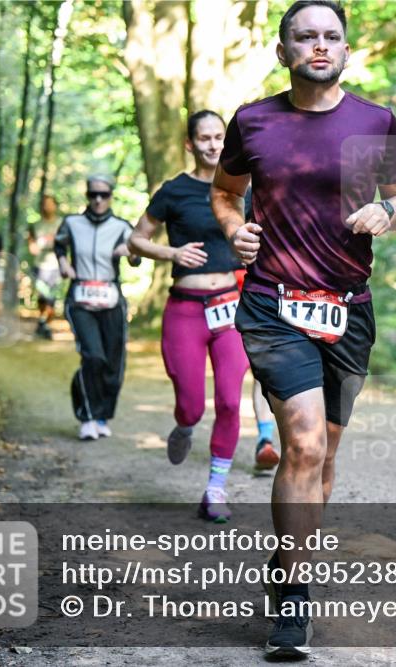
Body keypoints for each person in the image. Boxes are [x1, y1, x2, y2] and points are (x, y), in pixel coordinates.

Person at [211, 0, 396, 657]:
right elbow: (224, 190)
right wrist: (233, 228)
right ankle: (295, 602)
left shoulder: (375, 122)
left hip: (348, 307)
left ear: (346, 50)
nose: (320, 45)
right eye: (306, 36)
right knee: (300, 444)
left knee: (323, 456)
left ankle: (287, 557)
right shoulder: (254, 120)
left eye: (332, 36)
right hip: (274, 302)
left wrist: (387, 211)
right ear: (284, 52)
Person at [129, 110, 277, 524]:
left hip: (231, 308)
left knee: (231, 400)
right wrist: (171, 253)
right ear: (190, 144)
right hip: (185, 310)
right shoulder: (174, 190)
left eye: (219, 137)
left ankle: (215, 488)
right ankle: (184, 423)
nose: (214, 144)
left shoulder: (244, 189)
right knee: (192, 405)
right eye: (205, 138)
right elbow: (136, 240)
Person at [55, 175, 140, 441]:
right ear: (87, 196)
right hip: (80, 299)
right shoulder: (72, 222)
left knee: (113, 362)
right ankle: (87, 417)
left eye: (103, 195)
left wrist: (130, 253)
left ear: (111, 196)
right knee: (93, 356)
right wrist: (63, 263)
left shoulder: (121, 226)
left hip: (111, 300)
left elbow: (137, 255)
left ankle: (103, 416)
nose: (98, 200)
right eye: (93, 195)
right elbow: (59, 243)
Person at [29, 195, 63, 340]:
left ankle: (45, 325)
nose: (47, 207)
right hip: (40, 265)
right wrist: (40, 244)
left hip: (57, 265)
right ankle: (43, 322)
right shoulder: (35, 225)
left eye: (50, 204)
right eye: (45, 204)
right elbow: (32, 247)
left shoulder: (62, 223)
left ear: (55, 206)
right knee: (42, 297)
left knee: (52, 298)